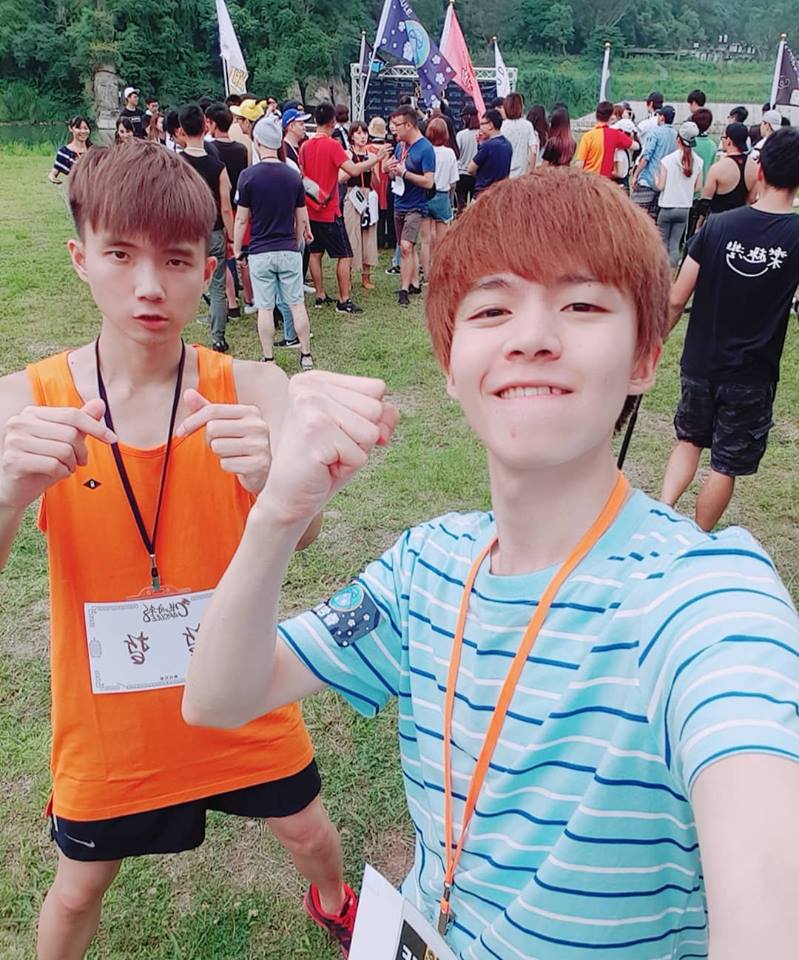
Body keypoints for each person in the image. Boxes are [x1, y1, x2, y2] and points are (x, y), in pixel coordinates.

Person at [184, 165, 799, 960]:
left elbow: (767, 888)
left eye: (581, 305)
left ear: (643, 359)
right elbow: (218, 697)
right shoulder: (424, 567)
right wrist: (276, 514)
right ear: (450, 366)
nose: (530, 336)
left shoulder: (705, 601)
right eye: (491, 308)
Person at [0, 139, 356, 960]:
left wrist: (272, 483)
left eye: (175, 259)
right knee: (79, 886)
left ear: (209, 270)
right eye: (120, 255)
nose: (150, 287)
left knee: (308, 832)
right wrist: (9, 493)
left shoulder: (252, 387)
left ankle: (337, 906)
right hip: (109, 714)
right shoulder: (29, 403)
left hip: (239, 683)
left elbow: (303, 536)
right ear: (80, 258)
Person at [662, 127, 799, 529]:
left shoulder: (718, 226)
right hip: (752, 373)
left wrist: (656, 340)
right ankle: (699, 536)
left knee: (688, 442)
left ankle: (662, 514)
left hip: (700, 362)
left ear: (760, 171)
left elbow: (677, 297)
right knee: (724, 465)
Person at [234, 117, 314, 370]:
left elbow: (241, 219)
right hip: (288, 248)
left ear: (257, 141)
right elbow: (301, 217)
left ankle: (268, 357)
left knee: (265, 308)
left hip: (260, 251)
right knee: (297, 304)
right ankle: (306, 354)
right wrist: (297, 240)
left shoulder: (248, 176)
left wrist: (237, 249)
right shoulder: (293, 176)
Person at [300, 101, 385, 315]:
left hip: (311, 209)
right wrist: (376, 159)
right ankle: (344, 299)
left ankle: (320, 295)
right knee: (345, 255)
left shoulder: (305, 146)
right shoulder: (333, 145)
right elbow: (353, 170)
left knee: (315, 253)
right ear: (333, 122)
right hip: (329, 211)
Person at [177, 103, 234, 353]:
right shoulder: (217, 167)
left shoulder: (176, 164)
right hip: (214, 231)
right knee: (218, 286)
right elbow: (226, 207)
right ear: (205, 127)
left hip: (186, 232)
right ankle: (218, 337)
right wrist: (232, 237)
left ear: (181, 130)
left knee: (180, 282)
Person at [205, 102, 256, 320]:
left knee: (224, 259)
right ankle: (251, 299)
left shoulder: (210, 149)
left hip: (221, 209)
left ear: (213, 124)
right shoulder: (242, 148)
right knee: (244, 255)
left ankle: (232, 302)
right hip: (241, 207)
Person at [384, 105, 435, 308]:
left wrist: (405, 173)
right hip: (399, 201)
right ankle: (413, 283)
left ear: (408, 125)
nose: (393, 129)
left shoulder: (426, 149)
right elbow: (394, 174)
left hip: (416, 205)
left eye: (396, 125)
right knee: (407, 247)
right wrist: (389, 170)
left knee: (406, 246)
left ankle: (404, 290)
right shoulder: (400, 146)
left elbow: (429, 182)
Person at [655, 121, 703, 268]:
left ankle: (661, 271)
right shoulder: (698, 161)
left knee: (661, 244)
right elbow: (698, 187)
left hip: (666, 207)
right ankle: (673, 272)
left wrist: (655, 178)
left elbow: (660, 186)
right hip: (684, 208)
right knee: (675, 245)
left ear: (678, 139)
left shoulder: (667, 160)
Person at [341, 122, 379, 292]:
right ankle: (348, 274)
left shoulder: (371, 155)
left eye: (364, 133)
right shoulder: (347, 153)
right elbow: (341, 177)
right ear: (351, 136)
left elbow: (376, 182)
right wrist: (358, 167)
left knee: (369, 234)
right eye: (358, 133)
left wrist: (374, 166)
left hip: (367, 194)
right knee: (351, 234)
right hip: (352, 195)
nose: (362, 136)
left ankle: (366, 275)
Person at [700, 122, 756, 218]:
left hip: (719, 220)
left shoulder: (717, 168)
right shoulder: (755, 167)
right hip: (741, 219)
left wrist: (699, 224)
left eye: (723, 137)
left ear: (728, 140)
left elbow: (705, 202)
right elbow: (751, 200)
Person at [631, 105, 676, 216]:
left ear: (662, 117)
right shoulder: (675, 135)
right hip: (663, 183)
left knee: (637, 215)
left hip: (647, 180)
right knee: (653, 218)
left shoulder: (655, 132)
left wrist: (635, 175)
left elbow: (646, 157)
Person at [573, 101, 633, 178]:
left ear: (596, 115)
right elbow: (636, 146)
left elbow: (579, 164)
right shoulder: (616, 134)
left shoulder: (587, 137)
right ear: (611, 116)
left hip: (589, 180)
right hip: (605, 181)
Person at [425, 117, 459, 244]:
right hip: (443, 196)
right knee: (442, 239)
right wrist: (450, 199)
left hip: (426, 195)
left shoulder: (425, 151)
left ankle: (426, 258)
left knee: (426, 240)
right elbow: (453, 182)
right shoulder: (450, 153)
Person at [468, 109, 512, 197]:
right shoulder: (508, 144)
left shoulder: (487, 146)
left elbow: (470, 169)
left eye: (482, 124)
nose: (480, 127)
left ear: (490, 125)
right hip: (500, 194)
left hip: (483, 194)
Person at [501, 92, 538, 178]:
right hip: (522, 175)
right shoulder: (528, 125)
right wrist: (530, 173)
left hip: (504, 175)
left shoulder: (502, 126)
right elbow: (533, 151)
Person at [48, 116, 90, 183]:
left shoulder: (94, 151)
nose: (83, 131)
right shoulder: (64, 152)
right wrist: (52, 178)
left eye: (85, 128)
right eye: (78, 128)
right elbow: (54, 172)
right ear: (70, 128)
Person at [455, 104, 480, 212]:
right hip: (476, 175)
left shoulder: (461, 135)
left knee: (461, 207)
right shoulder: (481, 134)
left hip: (461, 175)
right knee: (476, 209)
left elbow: (457, 153)